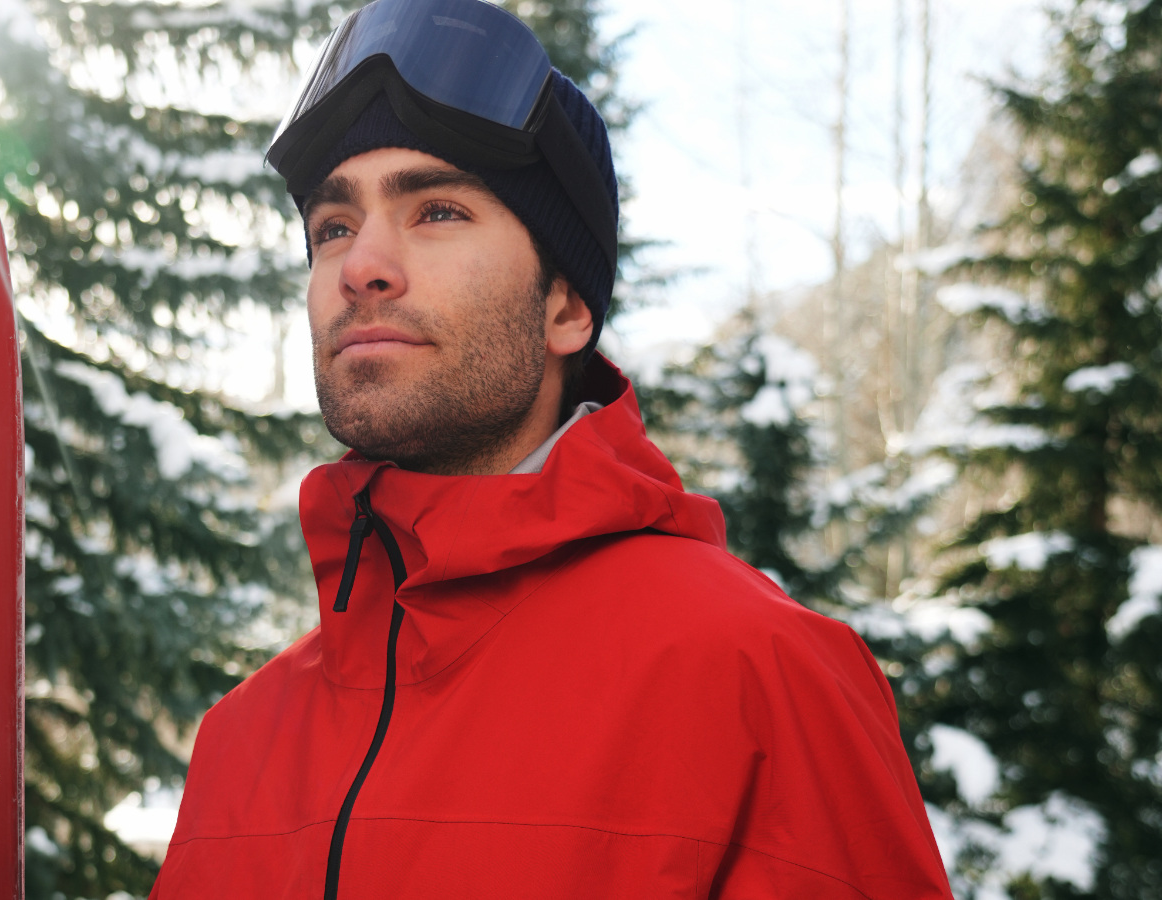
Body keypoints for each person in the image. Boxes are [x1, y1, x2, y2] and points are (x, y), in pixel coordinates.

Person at [151, 0, 953, 896]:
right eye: (333, 227)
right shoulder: (242, 739)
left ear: (566, 308)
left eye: (439, 210)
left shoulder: (755, 676)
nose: (361, 262)